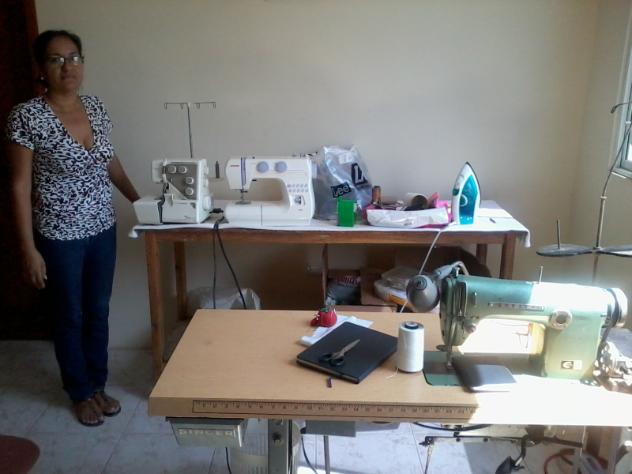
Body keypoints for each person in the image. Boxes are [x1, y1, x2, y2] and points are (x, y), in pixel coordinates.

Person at [5, 30, 139, 427]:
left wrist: (140, 201)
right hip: (59, 235)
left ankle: (98, 385)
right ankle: (79, 391)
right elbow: (18, 185)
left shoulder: (95, 106)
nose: (68, 67)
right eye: (56, 59)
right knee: (69, 315)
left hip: (102, 227)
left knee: (98, 310)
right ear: (41, 67)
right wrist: (28, 250)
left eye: (74, 57)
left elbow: (109, 160)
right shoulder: (27, 116)